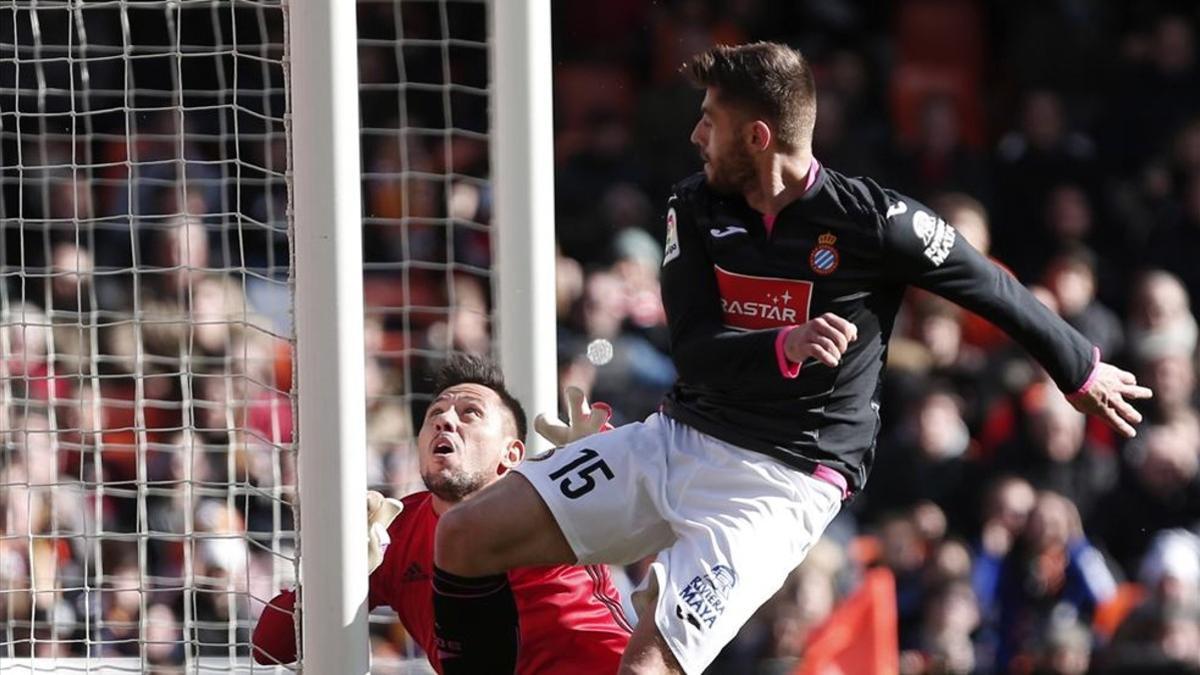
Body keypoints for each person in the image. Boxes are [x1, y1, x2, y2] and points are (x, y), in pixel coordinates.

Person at [430, 42, 1152, 675]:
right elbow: (696, 351)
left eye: (709, 120)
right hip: (677, 436)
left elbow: (990, 283)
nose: (695, 135)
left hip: (778, 485)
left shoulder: (874, 222)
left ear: (758, 135)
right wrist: (785, 343)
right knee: (462, 537)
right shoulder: (696, 206)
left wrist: (1080, 370)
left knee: (648, 661)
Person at [250, 355, 631, 673]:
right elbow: (269, 647)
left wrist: (603, 465)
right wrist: (336, 571)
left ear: (511, 454)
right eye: (435, 413)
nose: (445, 420)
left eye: (470, 413)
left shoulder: (551, 500)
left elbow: (639, 511)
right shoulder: (390, 533)